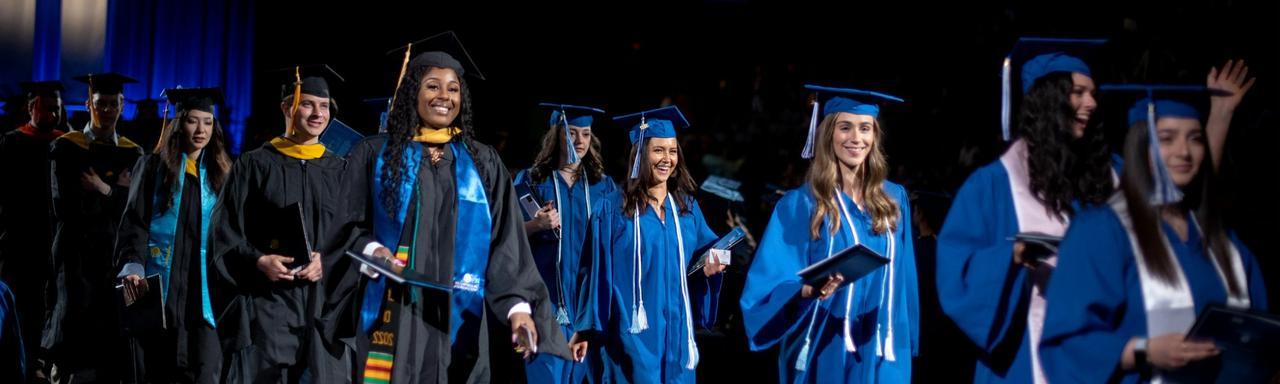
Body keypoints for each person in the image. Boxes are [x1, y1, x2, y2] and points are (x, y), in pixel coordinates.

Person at [322, 31, 570, 383]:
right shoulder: (376, 155)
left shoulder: (482, 162)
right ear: (412, 93)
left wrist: (518, 308)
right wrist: (375, 251)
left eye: (453, 89)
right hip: (395, 313)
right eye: (432, 86)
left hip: (460, 319)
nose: (444, 97)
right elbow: (346, 229)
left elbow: (505, 242)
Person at [1040, 77, 1269, 383]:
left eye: (1195, 138)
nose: (1183, 152)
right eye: (1166, 138)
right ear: (1141, 146)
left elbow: (1257, 330)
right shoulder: (1101, 232)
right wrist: (1144, 350)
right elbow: (1068, 342)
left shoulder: (1222, 242)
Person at [935, 38, 1117, 383]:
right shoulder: (992, 185)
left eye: (1093, 93)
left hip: (1099, 350)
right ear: (1047, 99)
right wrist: (1013, 254)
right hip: (1024, 353)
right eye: (1078, 92)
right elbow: (956, 272)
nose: (1091, 103)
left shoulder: (1108, 175)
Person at [740, 85, 917, 383]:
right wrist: (808, 290)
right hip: (824, 344)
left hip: (881, 348)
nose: (856, 138)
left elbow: (905, 280)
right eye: (845, 127)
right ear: (827, 134)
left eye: (865, 128)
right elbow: (768, 283)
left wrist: (905, 341)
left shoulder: (894, 199)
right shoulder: (800, 204)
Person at [209, 65, 347, 383]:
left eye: (324, 106)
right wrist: (258, 260)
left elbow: (354, 235)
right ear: (286, 107)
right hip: (268, 303)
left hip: (323, 305)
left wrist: (327, 261)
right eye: (308, 104)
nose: (317, 113)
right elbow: (224, 229)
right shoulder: (254, 165)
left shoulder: (341, 170)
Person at [575, 105, 728, 383]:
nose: (666, 159)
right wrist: (586, 329)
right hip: (630, 339)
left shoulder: (687, 209)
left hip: (678, 338)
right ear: (639, 154)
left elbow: (702, 256)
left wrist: (710, 268)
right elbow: (594, 273)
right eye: (658, 150)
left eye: (672, 151)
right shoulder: (612, 210)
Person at [115, 87, 232, 382]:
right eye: (193, 121)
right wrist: (133, 266)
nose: (201, 130)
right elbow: (135, 223)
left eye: (207, 122)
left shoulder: (222, 173)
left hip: (204, 291)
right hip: (163, 288)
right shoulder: (154, 167)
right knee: (160, 369)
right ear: (179, 123)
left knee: (205, 369)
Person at [44, 72, 145, 383]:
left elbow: (133, 211)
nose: (107, 110)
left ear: (123, 105)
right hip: (76, 255)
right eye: (101, 104)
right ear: (88, 104)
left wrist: (102, 188)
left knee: (110, 341)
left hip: (113, 256)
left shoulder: (133, 151)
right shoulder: (65, 148)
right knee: (74, 335)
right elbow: (68, 207)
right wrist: (117, 192)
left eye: (114, 104)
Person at [512, 103, 618, 384]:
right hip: (543, 304)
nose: (579, 141)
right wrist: (536, 225)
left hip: (588, 309)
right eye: (571, 133)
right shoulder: (532, 181)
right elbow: (505, 236)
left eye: (585, 134)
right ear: (557, 136)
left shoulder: (603, 187)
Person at [0, 80, 66, 380]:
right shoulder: (12, 142)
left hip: (54, 238)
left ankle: (41, 361)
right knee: (20, 304)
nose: (54, 114)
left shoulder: (65, 143)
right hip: (19, 239)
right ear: (30, 107)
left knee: (49, 305)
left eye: (58, 108)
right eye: (47, 107)